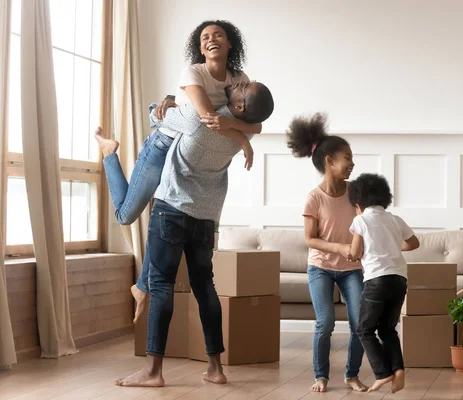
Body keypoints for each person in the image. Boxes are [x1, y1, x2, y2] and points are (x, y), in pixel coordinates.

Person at [95, 20, 262, 323]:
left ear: (230, 43)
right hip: (164, 144)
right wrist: (241, 138)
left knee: (161, 216)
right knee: (126, 215)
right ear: (200, 47)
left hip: (188, 152)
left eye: (218, 35)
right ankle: (109, 152)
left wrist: (241, 133)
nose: (211, 40)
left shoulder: (239, 78)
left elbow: (255, 121)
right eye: (204, 38)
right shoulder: (193, 72)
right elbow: (206, 118)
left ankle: (142, 286)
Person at [113, 83, 275, 388]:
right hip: (205, 218)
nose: (237, 83)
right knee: (205, 288)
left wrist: (169, 100)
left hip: (171, 210)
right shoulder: (245, 133)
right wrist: (241, 133)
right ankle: (215, 367)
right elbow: (256, 123)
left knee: (161, 285)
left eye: (243, 88)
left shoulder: (200, 120)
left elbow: (155, 116)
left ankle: (152, 371)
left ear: (239, 106)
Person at [286, 113, 368, 393]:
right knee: (326, 322)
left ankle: (352, 375)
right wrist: (340, 247)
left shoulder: (355, 192)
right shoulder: (314, 198)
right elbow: (310, 239)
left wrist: (357, 246)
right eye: (347, 157)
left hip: (351, 269)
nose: (352, 163)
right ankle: (321, 376)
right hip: (320, 267)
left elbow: (364, 225)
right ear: (329, 161)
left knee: (360, 322)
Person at [347, 173, 420, 393]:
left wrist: (352, 256)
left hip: (376, 281)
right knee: (388, 329)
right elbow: (414, 243)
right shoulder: (394, 219)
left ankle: (383, 373)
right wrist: (392, 248)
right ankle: (398, 369)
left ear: (358, 204)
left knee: (364, 330)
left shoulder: (360, 220)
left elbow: (355, 251)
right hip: (399, 280)